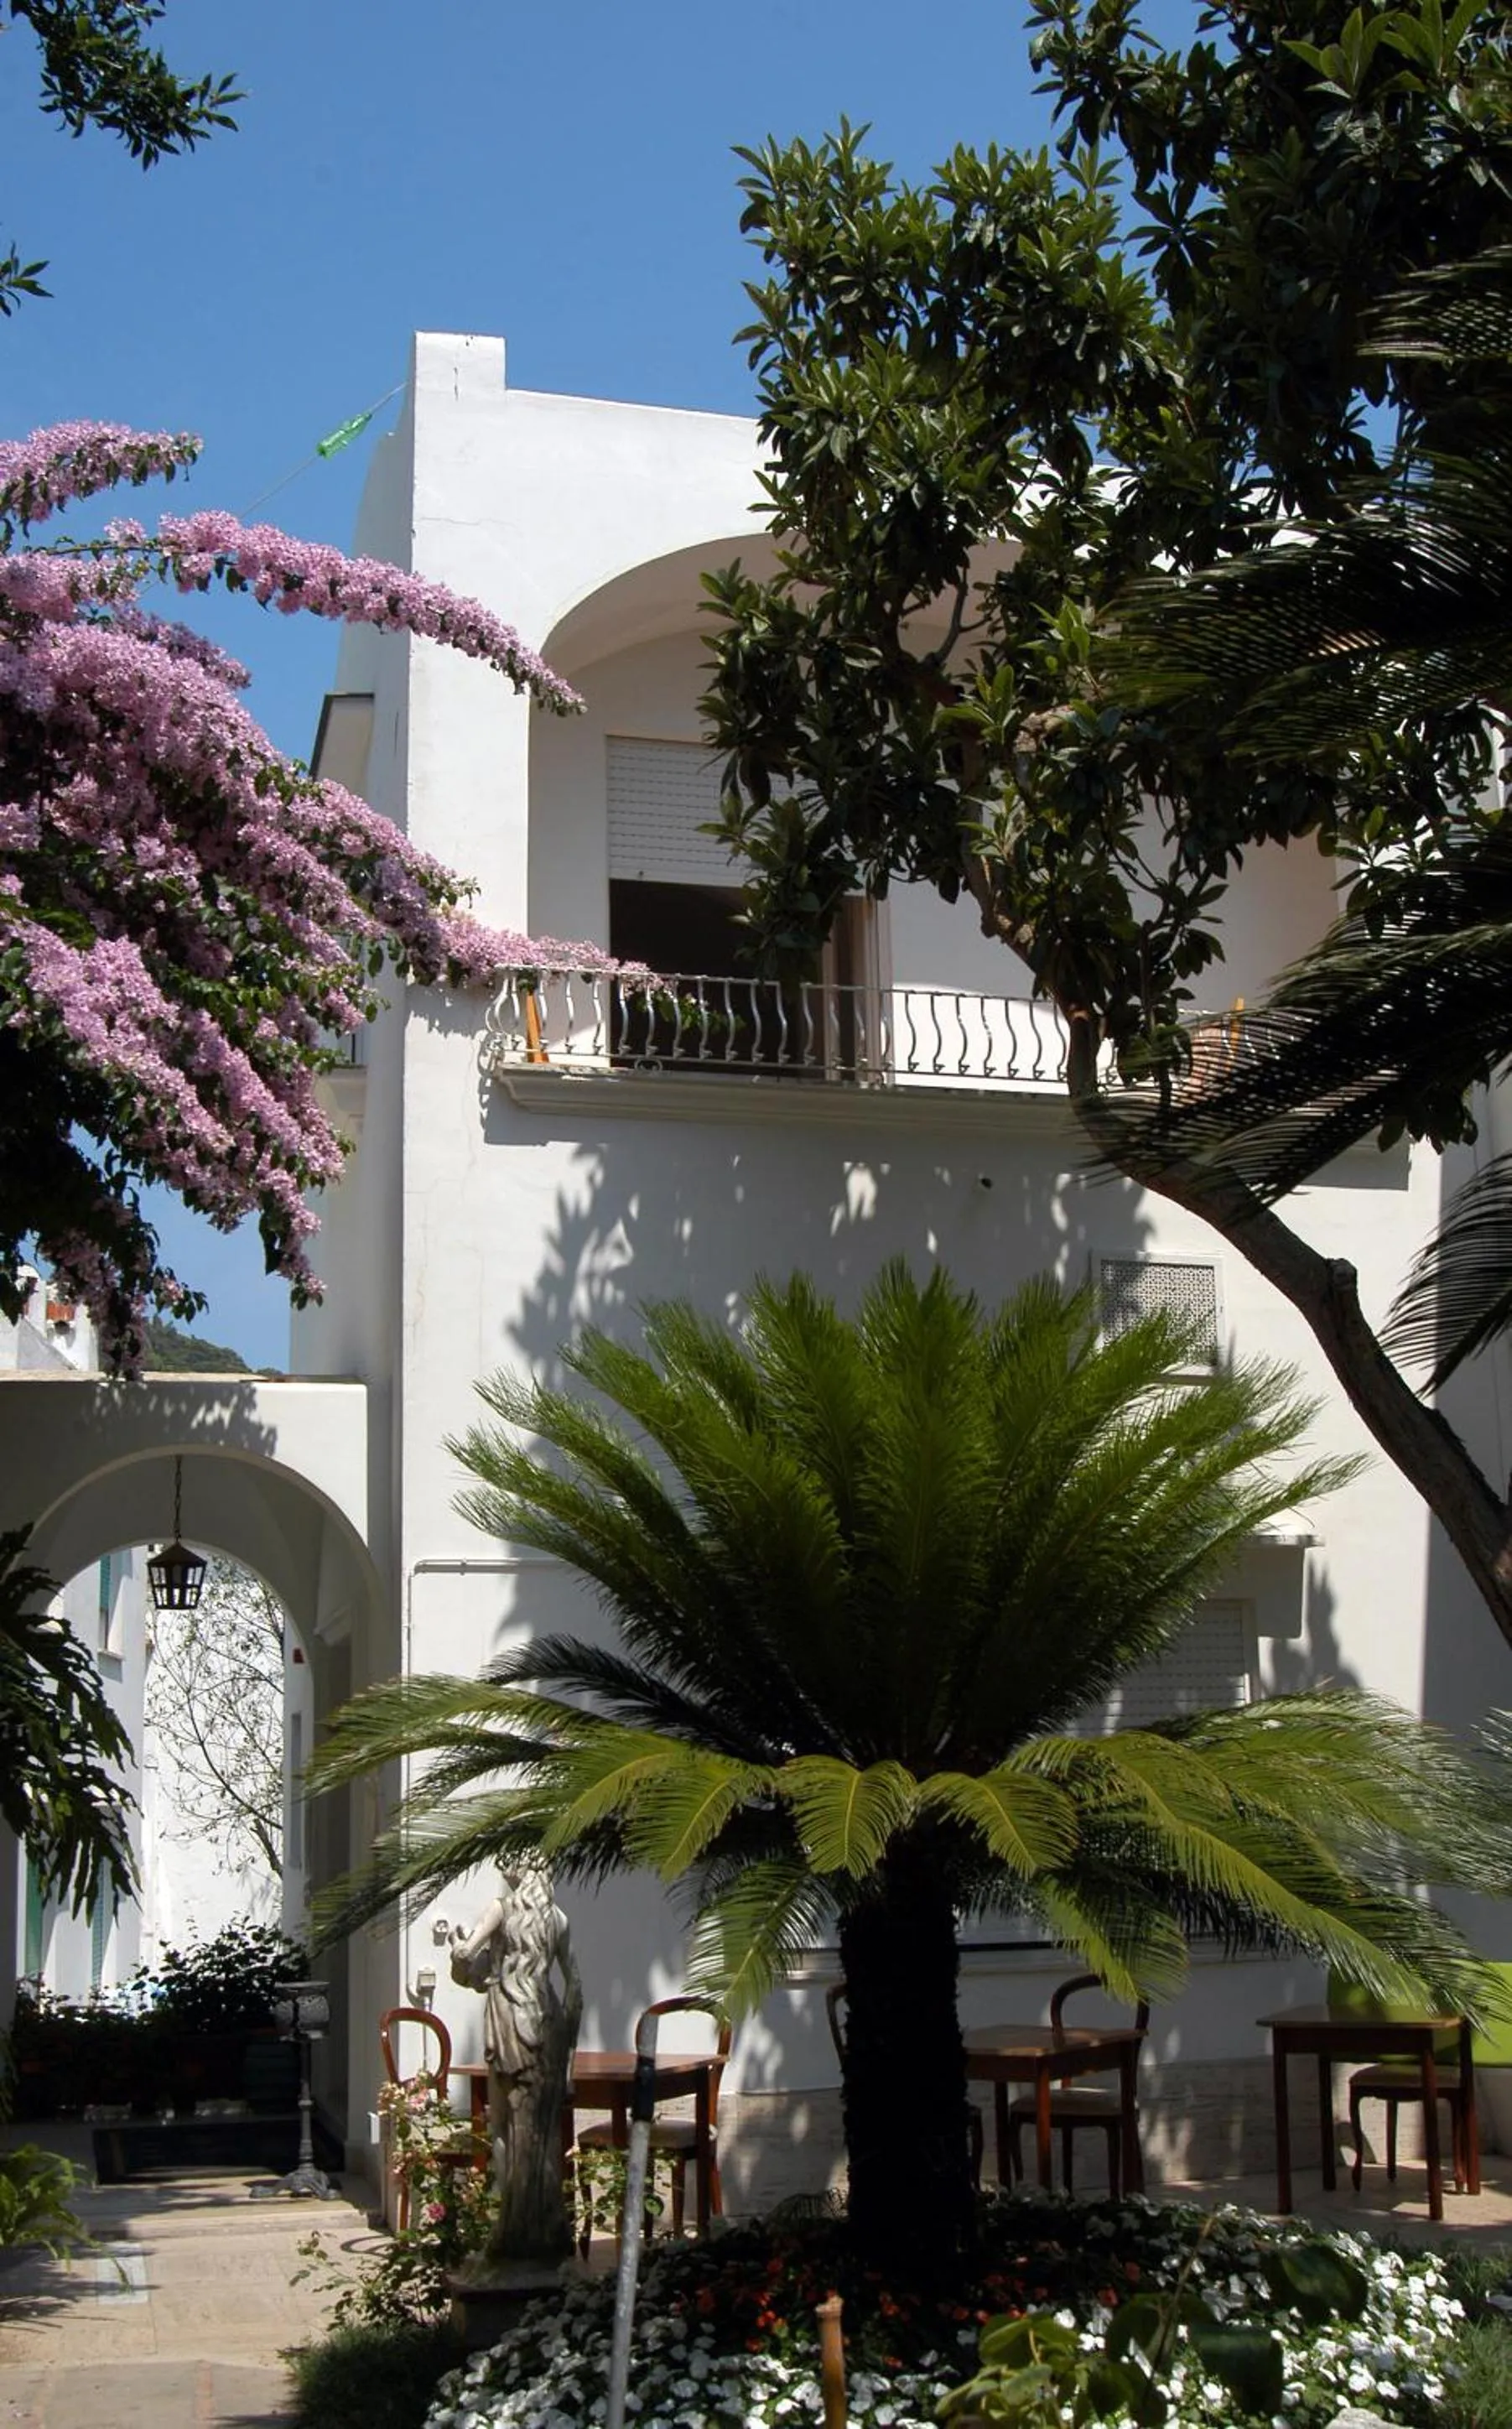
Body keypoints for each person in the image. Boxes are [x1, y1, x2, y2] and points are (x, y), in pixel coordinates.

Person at [449, 1859, 582, 2260]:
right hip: (548, 2022)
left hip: (509, 2018)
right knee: (545, 2130)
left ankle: (509, 2233)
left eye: (507, 1861)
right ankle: (547, 2229)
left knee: (504, 2126)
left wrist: (459, 1951)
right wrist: (570, 2058)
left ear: (520, 1869)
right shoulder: (558, 1919)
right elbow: (575, 1985)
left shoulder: (500, 1909)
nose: (501, 1867)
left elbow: (466, 1964)